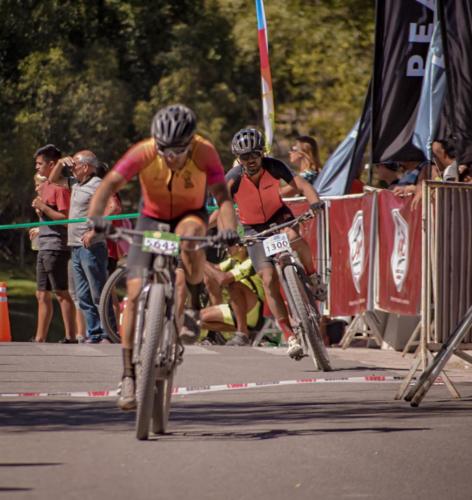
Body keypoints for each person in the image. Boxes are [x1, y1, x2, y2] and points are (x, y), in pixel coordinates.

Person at [87, 104, 238, 410]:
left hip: (189, 214)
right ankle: (128, 375)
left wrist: (228, 229)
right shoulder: (143, 151)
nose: (170, 157)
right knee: (132, 294)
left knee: (190, 238)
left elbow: (223, 196)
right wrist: (95, 217)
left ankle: (192, 306)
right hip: (152, 219)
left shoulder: (205, 152)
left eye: (178, 151)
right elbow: (108, 184)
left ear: (190, 143)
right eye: (164, 150)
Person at [226, 127, 323, 360]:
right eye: (245, 156)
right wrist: (227, 231)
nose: (250, 160)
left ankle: (312, 276)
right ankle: (290, 336)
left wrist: (315, 202)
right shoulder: (233, 178)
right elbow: (224, 207)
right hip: (253, 228)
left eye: (255, 154)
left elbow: (302, 184)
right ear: (238, 158)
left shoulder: (274, 166)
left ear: (262, 153)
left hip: (279, 217)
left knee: (294, 238)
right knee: (268, 279)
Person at [30, 144, 77, 343]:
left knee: (61, 292)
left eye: (40, 164)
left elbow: (66, 220)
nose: (36, 167)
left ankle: (71, 336)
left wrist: (43, 208)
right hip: (44, 245)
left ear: (51, 165)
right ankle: (39, 338)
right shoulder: (45, 188)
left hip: (56, 246)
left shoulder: (60, 190)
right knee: (41, 294)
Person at [66, 150, 112, 344]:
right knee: (83, 295)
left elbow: (113, 207)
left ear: (85, 167)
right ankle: (94, 333)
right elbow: (51, 180)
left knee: (98, 292)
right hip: (75, 246)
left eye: (75, 165)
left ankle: (108, 333)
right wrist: (61, 163)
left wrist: (95, 231)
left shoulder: (98, 184)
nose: (72, 169)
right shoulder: (76, 184)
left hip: (91, 246)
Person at [200, 245, 265, 346]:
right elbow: (213, 270)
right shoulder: (233, 261)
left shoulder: (250, 261)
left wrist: (201, 260)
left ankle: (242, 333)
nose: (226, 248)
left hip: (255, 309)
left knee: (234, 285)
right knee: (198, 320)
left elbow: (223, 279)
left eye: (230, 245)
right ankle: (247, 331)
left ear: (241, 248)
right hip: (238, 307)